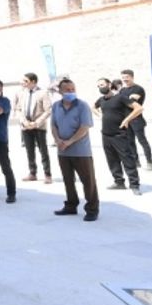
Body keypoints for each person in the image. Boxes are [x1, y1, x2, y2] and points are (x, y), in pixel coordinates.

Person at [50, 78, 99, 221]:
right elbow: (53, 126)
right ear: (60, 91)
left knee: (88, 181)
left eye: (73, 89)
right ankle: (71, 205)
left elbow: (85, 127)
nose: (71, 92)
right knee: (68, 180)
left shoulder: (82, 106)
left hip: (81, 151)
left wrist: (69, 141)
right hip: (63, 151)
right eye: (67, 90)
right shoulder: (56, 106)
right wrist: (58, 140)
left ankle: (92, 209)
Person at [93, 78, 142, 195]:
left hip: (119, 134)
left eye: (103, 84)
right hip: (106, 134)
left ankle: (134, 185)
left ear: (109, 85)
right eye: (99, 86)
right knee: (112, 160)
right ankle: (119, 182)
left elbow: (138, 108)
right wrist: (100, 115)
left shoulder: (120, 98)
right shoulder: (101, 100)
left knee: (127, 159)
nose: (101, 87)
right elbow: (93, 107)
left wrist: (126, 120)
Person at [14, 72, 53, 184]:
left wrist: (36, 123)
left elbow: (48, 110)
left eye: (25, 81)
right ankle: (32, 173)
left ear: (33, 82)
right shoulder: (21, 93)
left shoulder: (43, 93)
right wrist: (24, 121)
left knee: (43, 150)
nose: (23, 83)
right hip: (25, 126)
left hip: (38, 126)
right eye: (23, 81)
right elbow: (18, 109)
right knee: (29, 150)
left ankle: (47, 174)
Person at [118, 70, 152, 170]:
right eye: (123, 77)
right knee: (130, 142)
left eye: (127, 77)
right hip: (126, 119)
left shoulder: (138, 89)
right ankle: (136, 162)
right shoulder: (122, 90)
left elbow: (132, 101)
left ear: (132, 77)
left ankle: (149, 162)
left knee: (142, 140)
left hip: (136, 119)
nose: (125, 79)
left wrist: (124, 99)